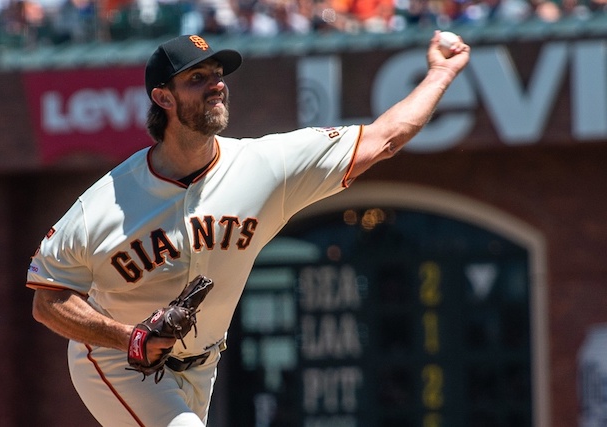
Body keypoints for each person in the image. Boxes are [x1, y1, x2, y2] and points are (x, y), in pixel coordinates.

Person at [27, 32, 469, 426]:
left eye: (218, 74)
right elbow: (48, 301)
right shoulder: (103, 204)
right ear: (163, 98)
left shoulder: (264, 166)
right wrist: (128, 337)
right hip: (116, 360)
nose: (216, 84)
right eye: (197, 78)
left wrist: (440, 74)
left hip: (202, 364)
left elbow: (384, 138)